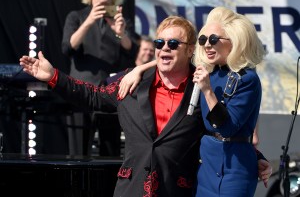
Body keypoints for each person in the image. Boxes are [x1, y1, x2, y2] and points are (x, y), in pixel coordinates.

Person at [20, 15, 271, 197]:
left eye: (173, 44)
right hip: (131, 189)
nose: (164, 49)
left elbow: (220, 129)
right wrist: (54, 76)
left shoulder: (202, 86)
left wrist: (253, 157)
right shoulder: (133, 83)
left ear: (190, 50)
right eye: (159, 43)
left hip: (177, 191)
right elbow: (92, 96)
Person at [191, 6, 267, 197]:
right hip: (206, 166)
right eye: (203, 40)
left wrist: (207, 90)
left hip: (235, 170)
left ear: (234, 41)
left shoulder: (247, 79)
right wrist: (137, 70)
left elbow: (227, 128)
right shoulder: (208, 73)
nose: (207, 45)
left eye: (213, 39)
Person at [61, 0, 138, 156]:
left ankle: (108, 180)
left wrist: (120, 33)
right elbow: (68, 47)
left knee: (110, 149)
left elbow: (132, 51)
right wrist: (89, 20)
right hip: (80, 90)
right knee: (78, 151)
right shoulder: (76, 16)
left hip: (109, 92)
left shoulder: (120, 20)